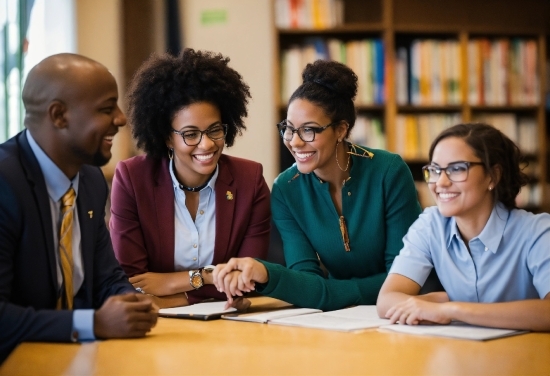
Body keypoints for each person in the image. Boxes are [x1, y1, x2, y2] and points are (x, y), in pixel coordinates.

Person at [213, 60, 421, 310]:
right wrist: (262, 276)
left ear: (341, 129)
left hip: (406, 312)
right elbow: (307, 277)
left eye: (309, 130)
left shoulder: (389, 172)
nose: (295, 142)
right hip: (341, 320)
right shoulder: (286, 189)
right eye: (289, 129)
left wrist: (326, 292)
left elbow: (402, 280)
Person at [0, 53, 158, 363]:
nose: (121, 119)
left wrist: (129, 301)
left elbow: (106, 276)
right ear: (59, 116)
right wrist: (94, 323)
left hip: (78, 359)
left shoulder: (90, 179)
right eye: (105, 108)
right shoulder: (5, 183)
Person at [109, 49, 271, 309]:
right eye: (190, 134)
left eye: (215, 130)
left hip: (227, 324)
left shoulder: (249, 181)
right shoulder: (132, 180)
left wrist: (175, 293)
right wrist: (206, 276)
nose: (206, 144)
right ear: (166, 137)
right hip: (154, 328)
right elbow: (133, 282)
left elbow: (245, 281)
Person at [377, 123, 550, 331]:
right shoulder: (431, 225)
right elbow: (387, 300)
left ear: (493, 176)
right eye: (434, 170)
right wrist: (442, 302)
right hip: (461, 353)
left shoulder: (537, 232)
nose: (440, 182)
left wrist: (451, 309)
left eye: (457, 169)